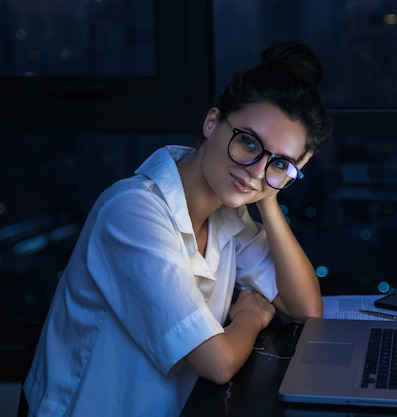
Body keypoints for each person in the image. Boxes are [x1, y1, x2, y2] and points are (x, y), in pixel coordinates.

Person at [22, 41, 333, 417]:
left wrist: (268, 190)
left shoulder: (230, 212)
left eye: (281, 162)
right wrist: (250, 316)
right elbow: (216, 363)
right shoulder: (132, 212)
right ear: (212, 122)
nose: (255, 167)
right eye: (249, 141)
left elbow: (305, 307)